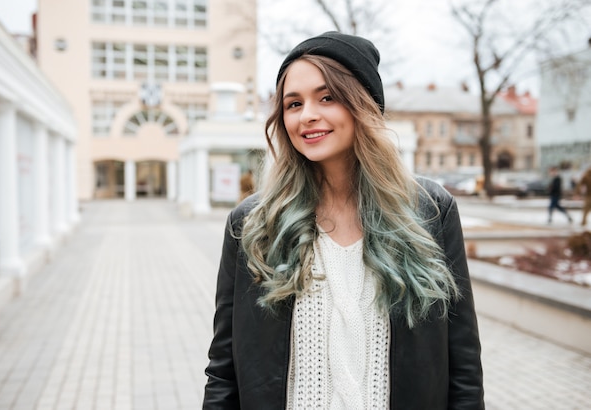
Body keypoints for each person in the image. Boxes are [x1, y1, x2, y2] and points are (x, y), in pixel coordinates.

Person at [203, 31, 484, 409]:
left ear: (363, 105)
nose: (308, 115)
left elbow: (462, 368)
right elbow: (223, 370)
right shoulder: (254, 224)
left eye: (327, 97)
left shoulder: (429, 212)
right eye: (293, 103)